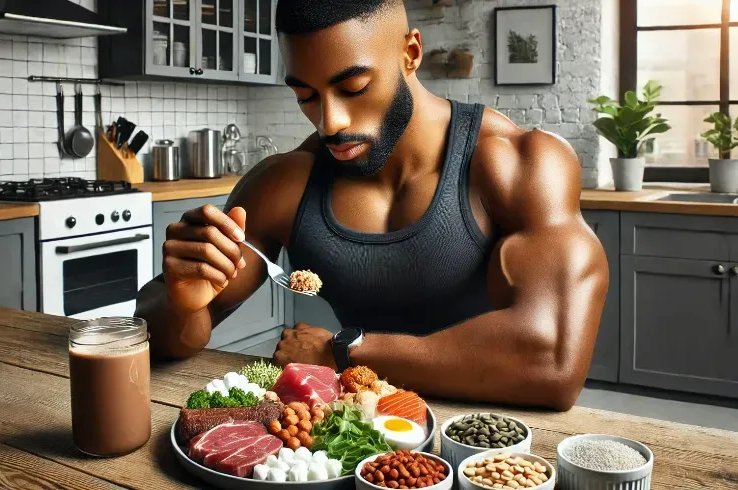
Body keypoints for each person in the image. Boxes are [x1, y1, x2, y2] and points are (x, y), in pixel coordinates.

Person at [135, 0, 608, 411]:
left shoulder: (517, 164)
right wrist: (181, 301)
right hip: (358, 435)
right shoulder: (285, 183)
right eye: (305, 95)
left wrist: (348, 349)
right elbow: (160, 338)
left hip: (485, 445)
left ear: (411, 53)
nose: (331, 122)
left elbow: (552, 363)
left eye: (354, 87)